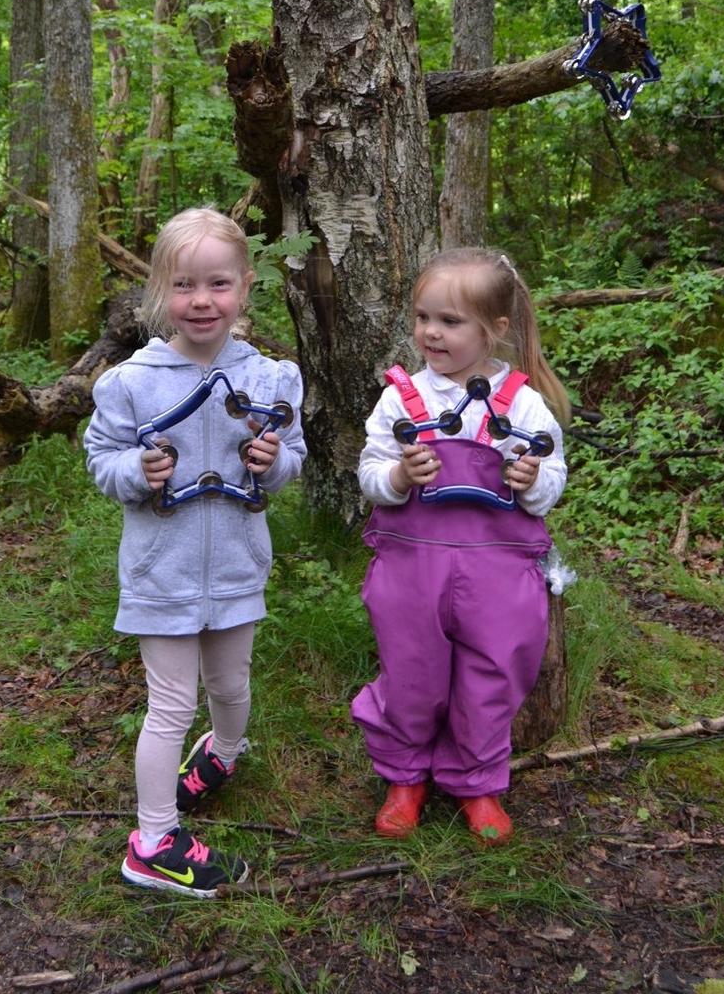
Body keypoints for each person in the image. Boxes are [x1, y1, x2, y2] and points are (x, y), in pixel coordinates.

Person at [84, 207, 306, 896]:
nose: (201, 301)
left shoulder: (268, 381)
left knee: (232, 686)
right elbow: (102, 459)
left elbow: (290, 460)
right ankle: (153, 840)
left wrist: (271, 462)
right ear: (160, 292)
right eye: (184, 286)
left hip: (239, 564)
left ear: (244, 287)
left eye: (217, 284)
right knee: (172, 703)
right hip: (162, 573)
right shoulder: (133, 382)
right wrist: (135, 475)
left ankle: (225, 753)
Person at [351, 247, 569, 846]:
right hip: (412, 570)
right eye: (424, 317)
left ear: (495, 329)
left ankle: (477, 782)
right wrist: (398, 477)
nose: (431, 332)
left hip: (498, 576)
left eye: (450, 322)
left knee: (492, 674)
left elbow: (552, 481)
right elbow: (370, 472)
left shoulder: (522, 403)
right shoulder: (400, 399)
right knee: (412, 674)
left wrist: (531, 481)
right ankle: (405, 777)